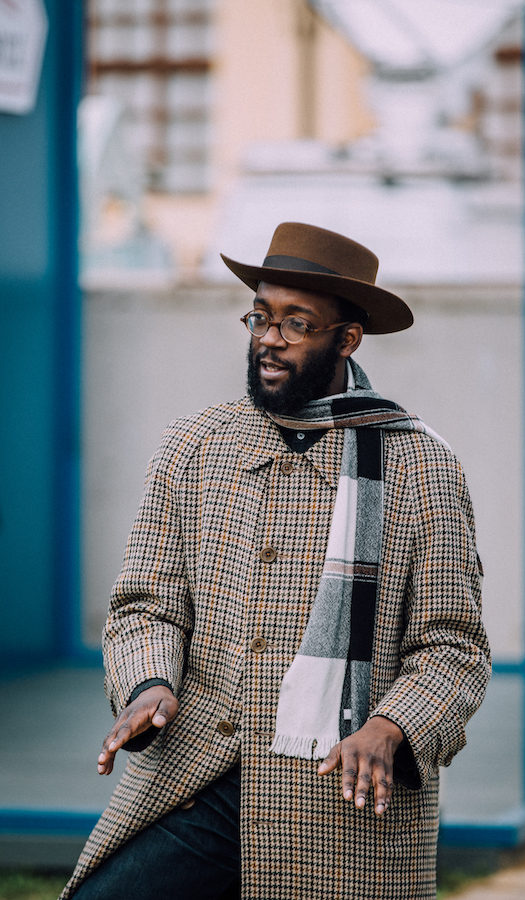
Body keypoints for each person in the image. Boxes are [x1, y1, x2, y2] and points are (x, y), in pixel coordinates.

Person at [61, 222, 490, 900]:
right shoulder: (193, 448)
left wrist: (389, 726)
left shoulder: (422, 469)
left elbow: (452, 648)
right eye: (259, 317)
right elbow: (146, 605)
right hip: (193, 778)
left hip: (337, 799)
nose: (268, 338)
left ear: (347, 339)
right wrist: (148, 686)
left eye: (297, 323)